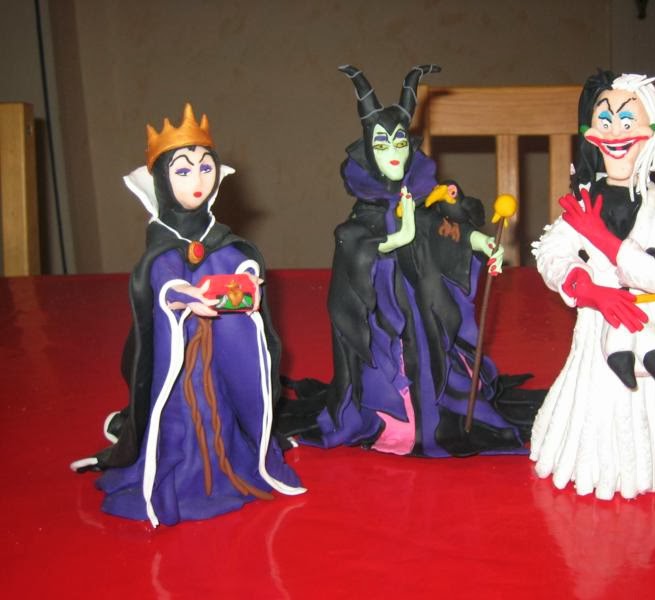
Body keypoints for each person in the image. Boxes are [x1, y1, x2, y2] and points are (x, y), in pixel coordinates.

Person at [282, 65, 541, 457]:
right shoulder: (364, 210)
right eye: (383, 145)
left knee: (438, 360)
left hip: (425, 309)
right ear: (368, 151)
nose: (393, 154)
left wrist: (479, 240)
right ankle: (393, 423)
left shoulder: (422, 197)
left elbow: (439, 229)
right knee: (392, 369)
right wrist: (395, 239)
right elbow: (353, 246)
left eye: (400, 143)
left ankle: (439, 406)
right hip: (387, 320)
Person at [70, 104, 304, 526]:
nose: (197, 181)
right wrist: (184, 296)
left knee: (221, 407)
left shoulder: (219, 236)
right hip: (180, 357)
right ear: (162, 179)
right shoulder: (162, 240)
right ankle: (186, 475)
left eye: (205, 168)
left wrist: (247, 282)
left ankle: (229, 461)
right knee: (183, 413)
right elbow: (160, 278)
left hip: (217, 355)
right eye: (183, 171)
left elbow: (236, 261)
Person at [530, 71, 655, 499]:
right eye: (604, 122)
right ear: (590, 133)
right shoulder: (582, 206)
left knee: (637, 396)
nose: (615, 133)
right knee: (590, 396)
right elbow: (552, 252)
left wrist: (605, 241)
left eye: (628, 122)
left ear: (652, 132)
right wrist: (589, 290)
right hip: (592, 330)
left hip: (643, 322)